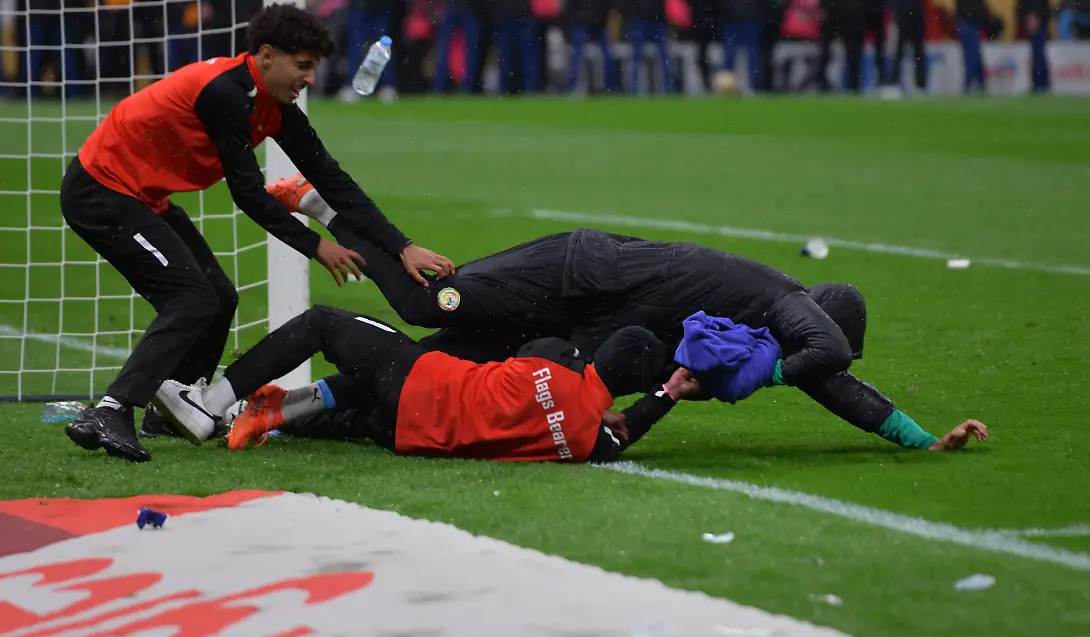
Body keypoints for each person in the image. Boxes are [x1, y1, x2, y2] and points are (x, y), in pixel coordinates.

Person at [262, 175, 990, 453]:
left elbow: (831, 381)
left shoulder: (772, 325)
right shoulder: (792, 306)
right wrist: (771, 378)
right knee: (426, 304)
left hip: (579, 322)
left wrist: (922, 439)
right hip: (572, 271)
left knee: (436, 371)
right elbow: (827, 357)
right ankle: (322, 206)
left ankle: (283, 412)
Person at [60, 4, 454, 463]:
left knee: (219, 297)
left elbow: (333, 180)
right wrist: (316, 245)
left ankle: (173, 407)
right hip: (101, 191)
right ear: (266, 55)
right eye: (302, 65)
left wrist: (400, 246)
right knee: (192, 299)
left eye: (313, 67)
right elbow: (248, 194)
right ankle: (111, 409)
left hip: (142, 196)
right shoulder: (225, 93)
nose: (309, 78)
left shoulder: (277, 107)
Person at [158, 305, 701, 462]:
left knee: (325, 324)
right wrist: (669, 393)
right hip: (414, 438)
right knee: (362, 386)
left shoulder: (559, 363)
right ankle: (277, 413)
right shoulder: (588, 443)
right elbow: (624, 431)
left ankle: (212, 403)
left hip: (417, 383)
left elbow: (531, 349)